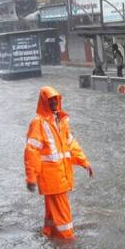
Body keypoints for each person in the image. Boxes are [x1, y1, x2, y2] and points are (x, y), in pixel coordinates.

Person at [24, 86, 93, 239]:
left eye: (56, 100)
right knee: (64, 216)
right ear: (44, 102)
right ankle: (67, 242)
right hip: (53, 178)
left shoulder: (61, 121)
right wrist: (31, 177)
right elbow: (31, 151)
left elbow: (71, 144)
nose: (54, 103)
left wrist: (84, 162)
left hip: (59, 176)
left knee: (52, 211)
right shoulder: (39, 123)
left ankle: (49, 234)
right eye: (51, 100)